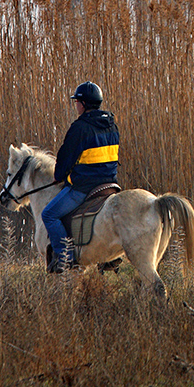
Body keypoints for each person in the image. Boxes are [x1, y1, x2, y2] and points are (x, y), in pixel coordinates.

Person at [42, 81, 120, 272]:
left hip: (85, 187)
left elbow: (66, 157)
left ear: (83, 104)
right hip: (110, 184)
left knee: (49, 214)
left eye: (77, 101)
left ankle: (64, 257)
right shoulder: (111, 125)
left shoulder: (80, 127)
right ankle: (110, 258)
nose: (75, 105)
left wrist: (59, 175)